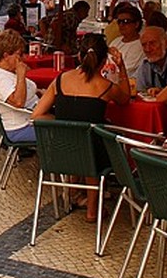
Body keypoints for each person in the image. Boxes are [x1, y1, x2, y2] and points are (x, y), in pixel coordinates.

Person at [32, 33, 130, 220]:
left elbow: (37, 115)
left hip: (60, 153)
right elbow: (125, 99)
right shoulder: (105, 86)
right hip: (93, 157)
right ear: (103, 62)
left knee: (84, 143)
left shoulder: (60, 80)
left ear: (79, 56)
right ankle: (92, 209)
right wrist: (121, 66)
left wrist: (62, 121)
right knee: (94, 143)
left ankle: (74, 193)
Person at [0, 30, 38, 142]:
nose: (23, 58)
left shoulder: (8, 71)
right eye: (19, 54)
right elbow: (18, 102)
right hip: (21, 126)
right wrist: (21, 75)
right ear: (6, 55)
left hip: (32, 118)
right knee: (66, 131)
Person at [134, 25, 167, 92]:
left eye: (152, 43)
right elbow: (139, 90)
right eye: (144, 45)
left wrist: (162, 91)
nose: (148, 49)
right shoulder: (145, 65)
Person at [107, 4, 146, 73]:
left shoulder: (141, 45)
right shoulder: (115, 41)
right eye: (119, 22)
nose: (121, 25)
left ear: (136, 24)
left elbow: (127, 69)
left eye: (125, 21)